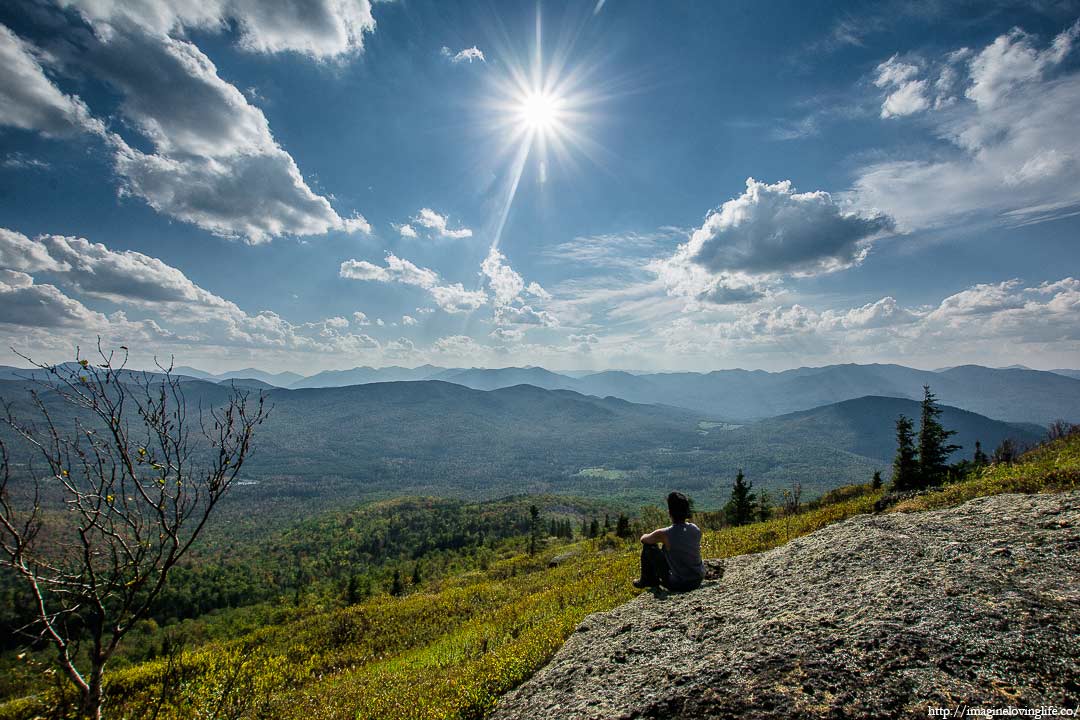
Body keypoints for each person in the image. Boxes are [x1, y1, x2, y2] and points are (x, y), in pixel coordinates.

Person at [633, 491, 705, 592]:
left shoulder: (665, 533)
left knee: (649, 548)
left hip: (680, 584)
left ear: (670, 513)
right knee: (671, 549)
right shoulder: (695, 528)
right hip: (698, 579)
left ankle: (647, 580)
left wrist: (658, 540)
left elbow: (644, 539)